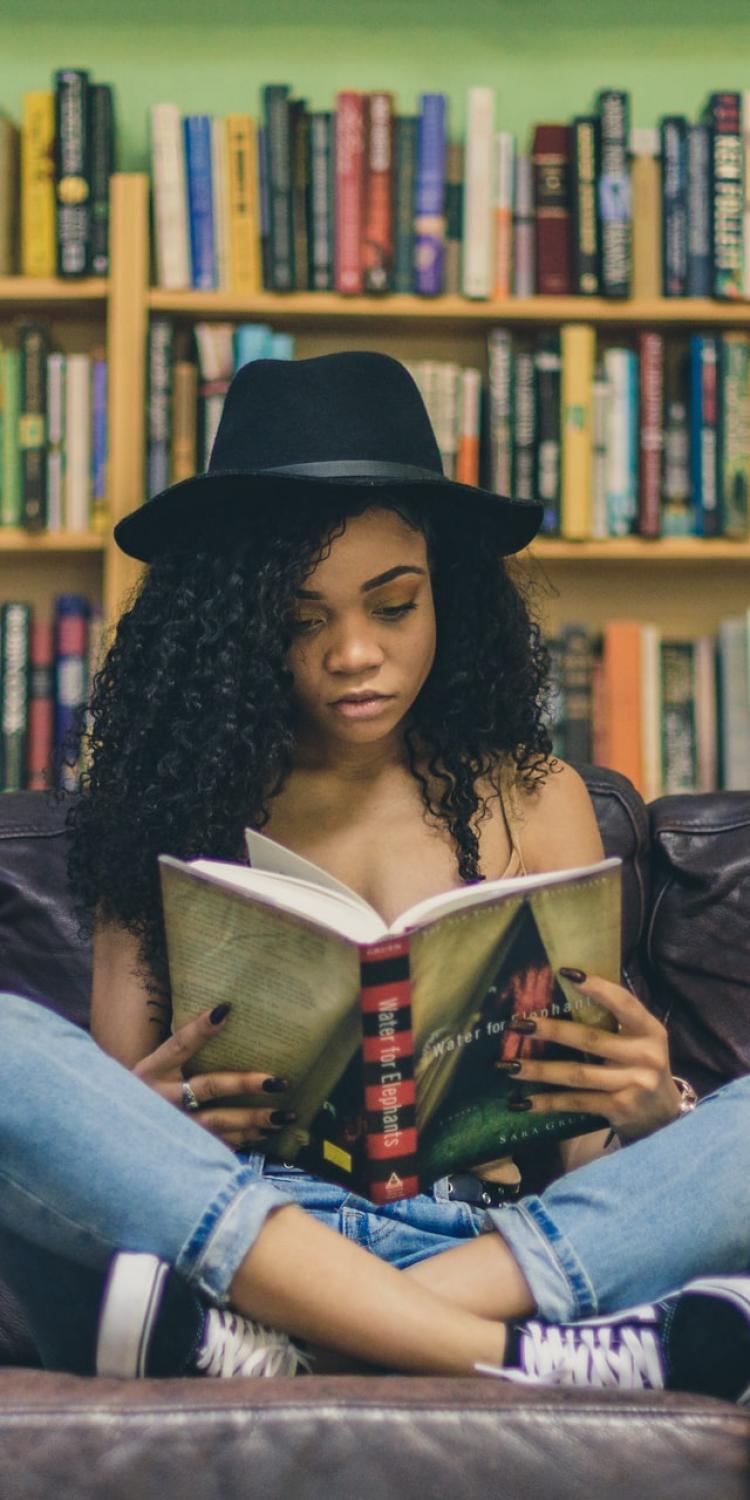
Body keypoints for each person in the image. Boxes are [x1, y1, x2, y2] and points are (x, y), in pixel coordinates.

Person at [1, 352, 749, 1398]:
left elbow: (580, 1158)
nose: (354, 654)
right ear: (236, 628)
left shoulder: (538, 799)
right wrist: (154, 1113)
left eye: (392, 606)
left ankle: (320, 1341)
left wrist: (647, 1114)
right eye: (302, 620)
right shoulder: (167, 808)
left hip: (490, 1236)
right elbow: (119, 1139)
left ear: (449, 593)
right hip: (247, 1236)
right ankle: (519, 1353)